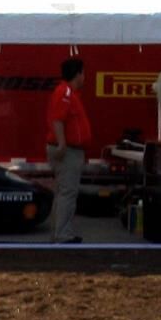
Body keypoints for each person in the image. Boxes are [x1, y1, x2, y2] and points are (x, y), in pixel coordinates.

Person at [45, 57, 91, 244]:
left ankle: (59, 232)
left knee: (64, 192)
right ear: (78, 73)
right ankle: (62, 235)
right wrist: (62, 144)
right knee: (67, 193)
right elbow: (58, 119)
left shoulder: (68, 92)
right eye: (83, 72)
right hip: (68, 151)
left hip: (70, 149)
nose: (84, 76)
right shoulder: (65, 92)